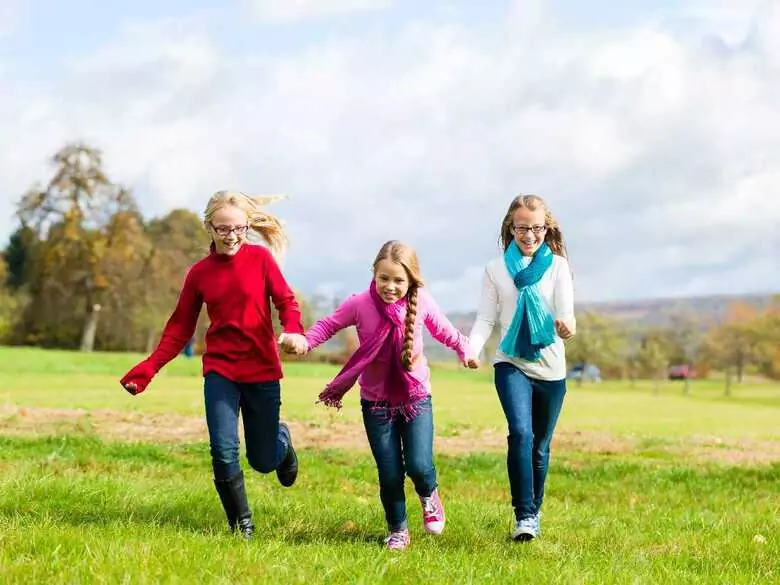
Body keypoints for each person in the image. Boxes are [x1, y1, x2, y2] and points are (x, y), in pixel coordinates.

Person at [119, 190, 307, 540]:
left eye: (239, 228)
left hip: (262, 370)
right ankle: (242, 526)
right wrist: (147, 369)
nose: (232, 235)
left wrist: (293, 331)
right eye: (223, 229)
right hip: (221, 370)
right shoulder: (199, 274)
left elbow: (286, 301)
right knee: (222, 450)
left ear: (247, 226)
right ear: (209, 227)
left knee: (263, 461)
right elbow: (179, 329)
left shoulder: (261, 260)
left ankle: (281, 442)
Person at [281, 240, 479, 551]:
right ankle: (398, 529)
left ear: (411, 280)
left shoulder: (422, 301)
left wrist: (465, 352)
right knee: (389, 472)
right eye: (383, 278)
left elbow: (446, 332)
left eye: (398, 280)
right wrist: (304, 342)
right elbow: (327, 325)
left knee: (419, 465)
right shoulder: (359, 304)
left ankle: (429, 494)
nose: (390, 286)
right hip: (375, 403)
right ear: (374, 274)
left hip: (416, 398)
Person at [468, 194, 575, 542]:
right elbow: (486, 317)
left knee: (540, 447)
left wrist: (567, 325)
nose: (530, 235)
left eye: (537, 228)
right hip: (510, 362)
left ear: (547, 227)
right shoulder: (495, 269)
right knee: (521, 434)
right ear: (510, 228)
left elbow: (566, 310)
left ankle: (535, 511)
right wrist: (473, 348)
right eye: (522, 228)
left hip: (550, 368)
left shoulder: (558, 266)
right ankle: (525, 516)